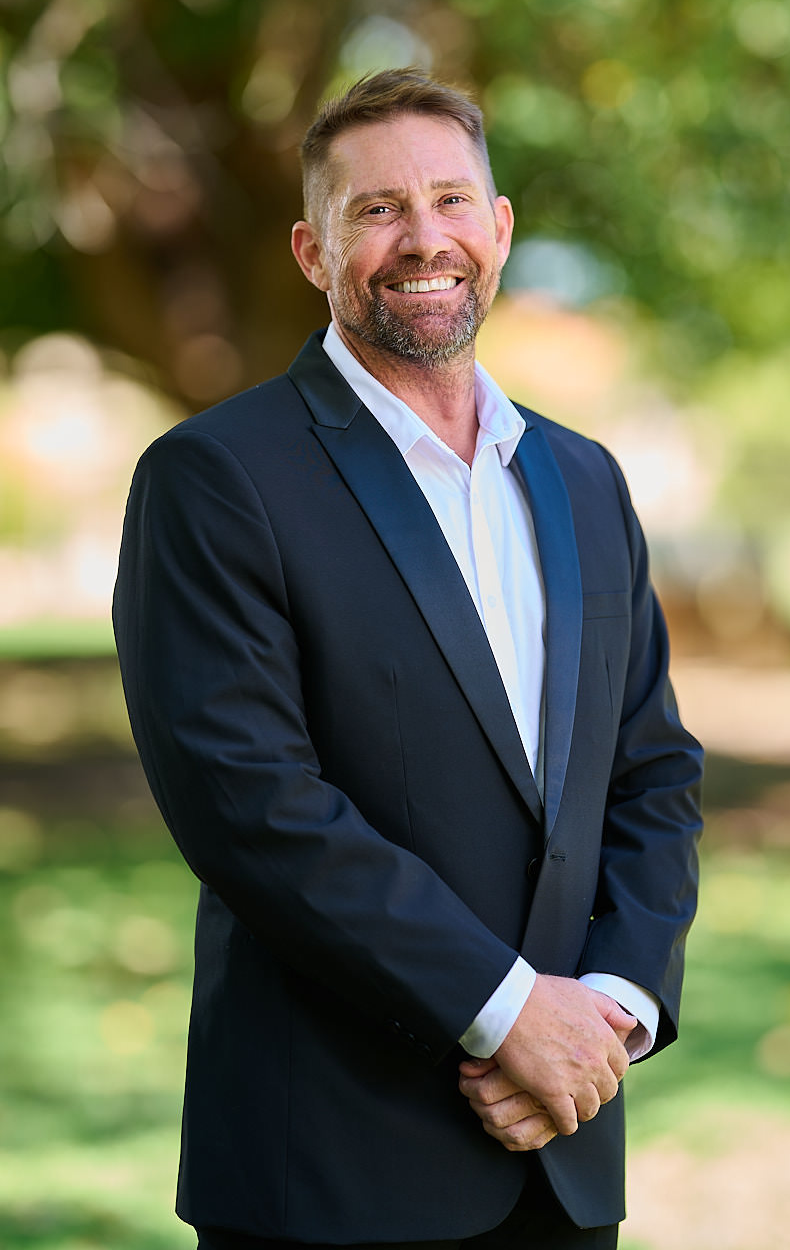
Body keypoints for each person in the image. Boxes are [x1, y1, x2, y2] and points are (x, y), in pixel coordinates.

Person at [113, 68, 702, 1250]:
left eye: (449, 200)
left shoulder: (582, 476)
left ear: (498, 228)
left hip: (562, 1148)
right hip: (330, 1166)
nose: (421, 237)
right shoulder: (217, 478)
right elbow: (252, 808)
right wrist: (504, 1014)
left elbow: (651, 772)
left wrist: (610, 1013)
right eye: (375, 209)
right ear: (310, 251)